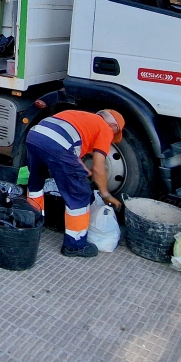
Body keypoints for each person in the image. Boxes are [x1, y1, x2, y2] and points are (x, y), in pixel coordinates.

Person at [24, 109, 125, 258]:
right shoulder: (105, 128)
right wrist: (105, 194)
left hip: (35, 135)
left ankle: (32, 223)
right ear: (112, 125)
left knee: (36, 182)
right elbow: (98, 167)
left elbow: (70, 150)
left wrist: (83, 171)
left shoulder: (79, 116)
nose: (111, 139)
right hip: (56, 145)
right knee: (80, 193)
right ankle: (75, 246)